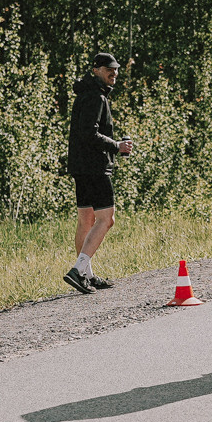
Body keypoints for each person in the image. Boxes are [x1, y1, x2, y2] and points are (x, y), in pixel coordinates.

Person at [65, 51, 134, 293]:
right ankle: (78, 270)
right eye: (108, 69)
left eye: (115, 69)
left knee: (86, 220)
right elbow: (89, 133)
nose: (114, 72)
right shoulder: (96, 96)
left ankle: (86, 274)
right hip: (95, 167)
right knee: (107, 219)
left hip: (80, 166)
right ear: (95, 70)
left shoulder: (86, 93)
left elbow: (85, 133)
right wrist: (117, 146)